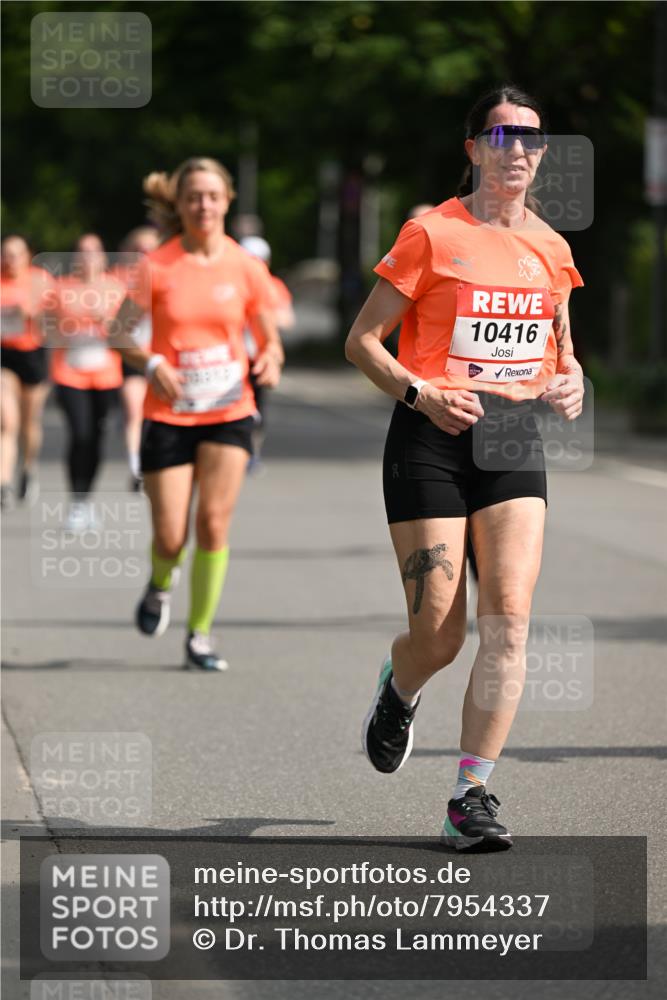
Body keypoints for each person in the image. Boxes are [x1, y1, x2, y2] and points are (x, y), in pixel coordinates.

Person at [346, 86, 585, 851]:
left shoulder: (552, 247)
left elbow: (561, 353)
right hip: (430, 432)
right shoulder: (429, 233)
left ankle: (469, 795)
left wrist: (572, 381)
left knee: (508, 620)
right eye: (501, 135)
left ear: (542, 152)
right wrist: (420, 392)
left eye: (531, 138)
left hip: (513, 437)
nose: (517, 149)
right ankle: (400, 686)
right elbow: (363, 343)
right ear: (473, 148)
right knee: (440, 634)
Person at [111, 157, 284, 671]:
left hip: (230, 410)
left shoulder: (247, 268)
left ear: (227, 200)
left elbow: (268, 333)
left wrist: (270, 357)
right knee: (170, 536)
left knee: (212, 523)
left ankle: (200, 635)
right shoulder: (156, 266)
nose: (203, 205)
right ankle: (160, 583)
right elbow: (118, 334)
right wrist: (154, 360)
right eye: (193, 197)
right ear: (180, 204)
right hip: (168, 413)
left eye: (212, 196)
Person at [44, 233, 124, 531]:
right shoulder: (61, 289)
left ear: (103, 257)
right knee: (79, 434)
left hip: (105, 375)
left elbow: (127, 333)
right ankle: (76, 503)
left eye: (94, 252)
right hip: (70, 372)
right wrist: (64, 328)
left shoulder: (116, 288)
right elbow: (46, 328)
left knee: (95, 440)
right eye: (82, 252)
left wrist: (106, 322)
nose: (88, 258)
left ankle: (86, 500)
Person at [1, 235, 52, 508]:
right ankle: (3, 482)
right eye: (5, 254)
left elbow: (54, 320)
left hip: (33, 354)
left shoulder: (40, 280)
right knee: (7, 420)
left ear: (27, 255)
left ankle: (28, 469)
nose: (9, 260)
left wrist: (32, 314)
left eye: (15, 254)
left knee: (29, 422)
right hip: (4, 355)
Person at [239, 235, 295, 471]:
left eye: (260, 260)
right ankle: (237, 452)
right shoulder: (233, 282)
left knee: (258, 407)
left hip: (261, 356)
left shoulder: (274, 286)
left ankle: (253, 452)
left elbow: (288, 319)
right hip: (236, 356)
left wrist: (263, 317)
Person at [115, 226, 161, 491]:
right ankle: (136, 467)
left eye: (150, 250)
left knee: (155, 415)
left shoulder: (169, 276)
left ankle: (155, 460)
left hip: (163, 356)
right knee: (134, 411)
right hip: (134, 355)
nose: (145, 255)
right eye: (139, 250)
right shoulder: (119, 279)